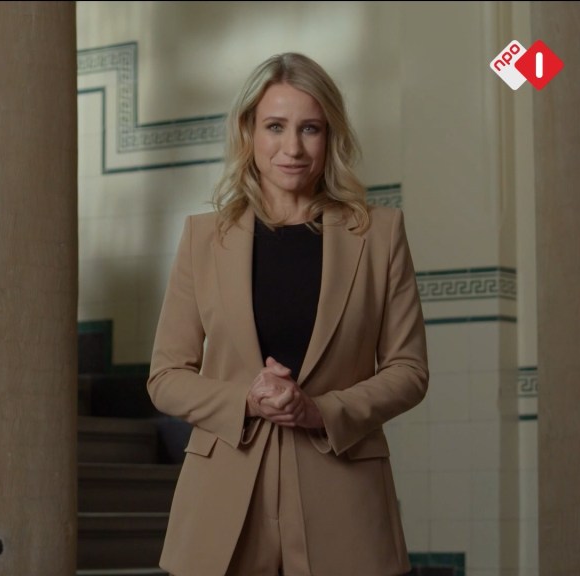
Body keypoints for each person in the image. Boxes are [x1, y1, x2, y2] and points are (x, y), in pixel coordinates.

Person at [146, 52, 429, 576]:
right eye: (275, 127)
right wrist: (246, 400)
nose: (293, 148)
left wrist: (320, 411)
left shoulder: (380, 235)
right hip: (223, 501)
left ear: (330, 136)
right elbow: (165, 378)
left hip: (344, 499)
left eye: (310, 129)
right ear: (249, 132)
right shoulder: (203, 239)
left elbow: (409, 371)